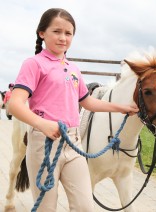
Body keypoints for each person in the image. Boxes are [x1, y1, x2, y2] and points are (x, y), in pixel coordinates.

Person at [9, 8, 138, 212]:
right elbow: (14, 104)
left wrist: (121, 107)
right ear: (42, 33)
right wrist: (41, 124)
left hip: (73, 143)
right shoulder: (33, 64)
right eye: (57, 31)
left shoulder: (73, 68)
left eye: (68, 33)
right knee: (46, 208)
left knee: (84, 206)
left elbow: (87, 102)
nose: (63, 38)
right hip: (44, 144)